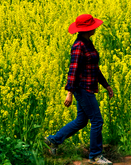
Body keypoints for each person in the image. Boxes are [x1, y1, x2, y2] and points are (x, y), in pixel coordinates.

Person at [45, 14, 115, 165]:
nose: (96, 27)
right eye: (93, 26)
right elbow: (73, 71)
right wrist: (69, 93)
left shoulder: (88, 43)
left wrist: (106, 85)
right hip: (82, 89)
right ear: (86, 29)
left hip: (88, 86)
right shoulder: (78, 47)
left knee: (82, 120)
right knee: (97, 120)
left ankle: (53, 140)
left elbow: (94, 68)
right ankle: (95, 156)